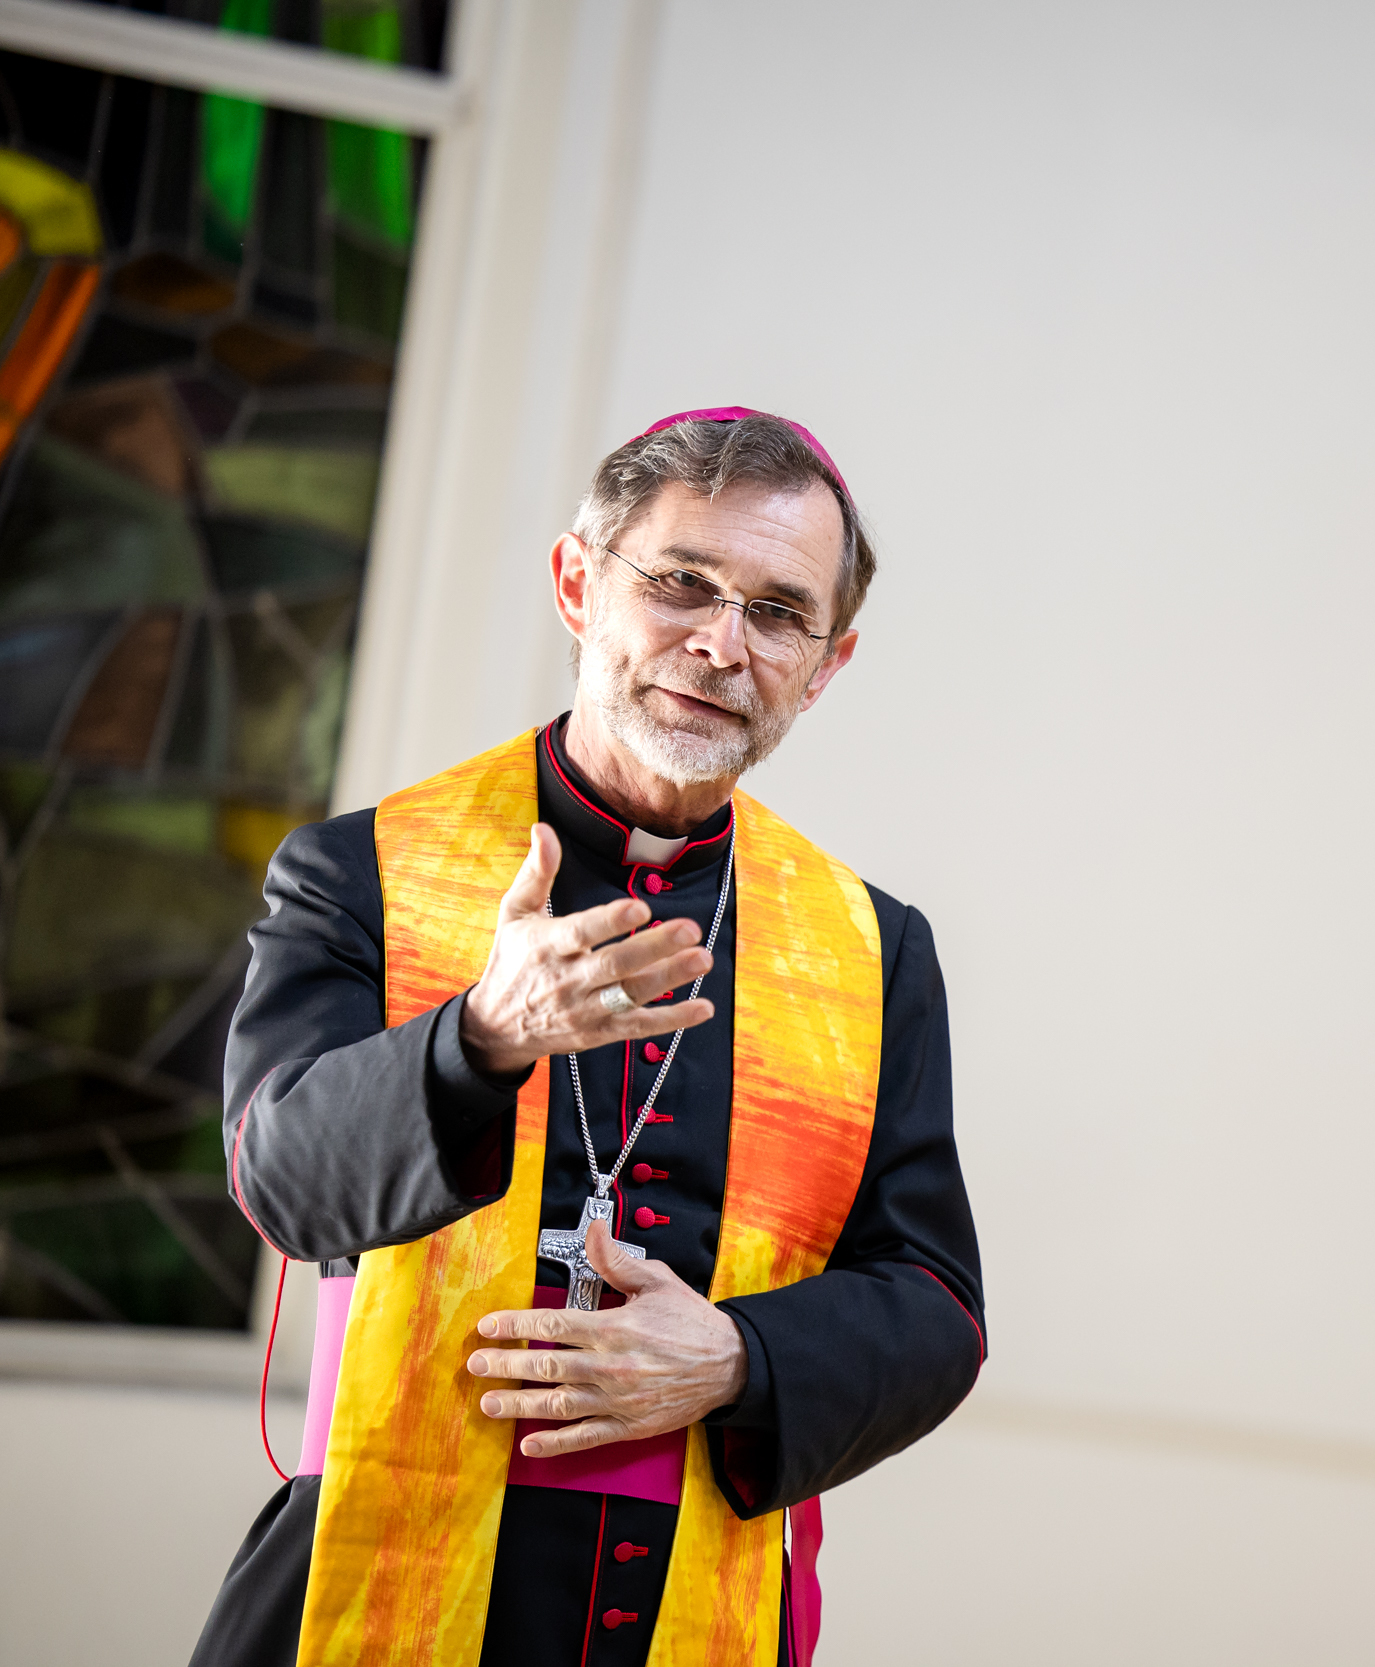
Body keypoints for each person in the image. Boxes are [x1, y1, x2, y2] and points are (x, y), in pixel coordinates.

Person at [189, 409, 983, 1667]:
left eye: (779, 612)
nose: (721, 643)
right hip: (377, 1569)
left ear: (825, 664)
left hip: (690, 1597)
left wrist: (737, 1356)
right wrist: (481, 1034)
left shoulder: (872, 949)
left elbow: (936, 1304)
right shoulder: (362, 873)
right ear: (577, 583)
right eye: (681, 583)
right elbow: (279, 1183)